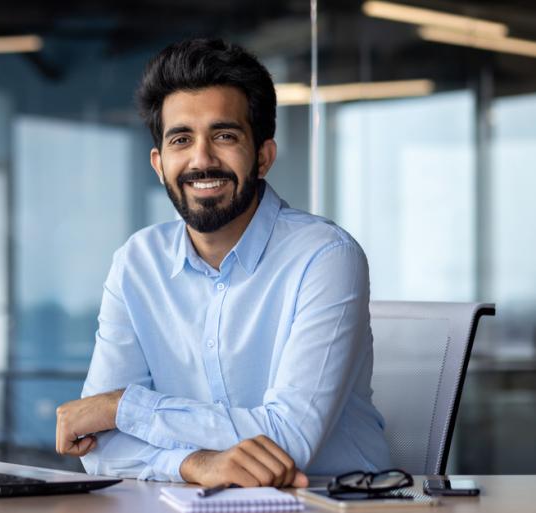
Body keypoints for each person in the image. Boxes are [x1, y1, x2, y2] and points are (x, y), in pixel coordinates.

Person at [55, 38, 390, 487]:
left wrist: (123, 408)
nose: (201, 159)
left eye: (224, 136)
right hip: (198, 500)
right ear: (159, 164)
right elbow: (97, 446)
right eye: (181, 139)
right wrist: (196, 465)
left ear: (264, 156)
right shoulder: (137, 262)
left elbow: (288, 440)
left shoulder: (325, 257)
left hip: (331, 503)